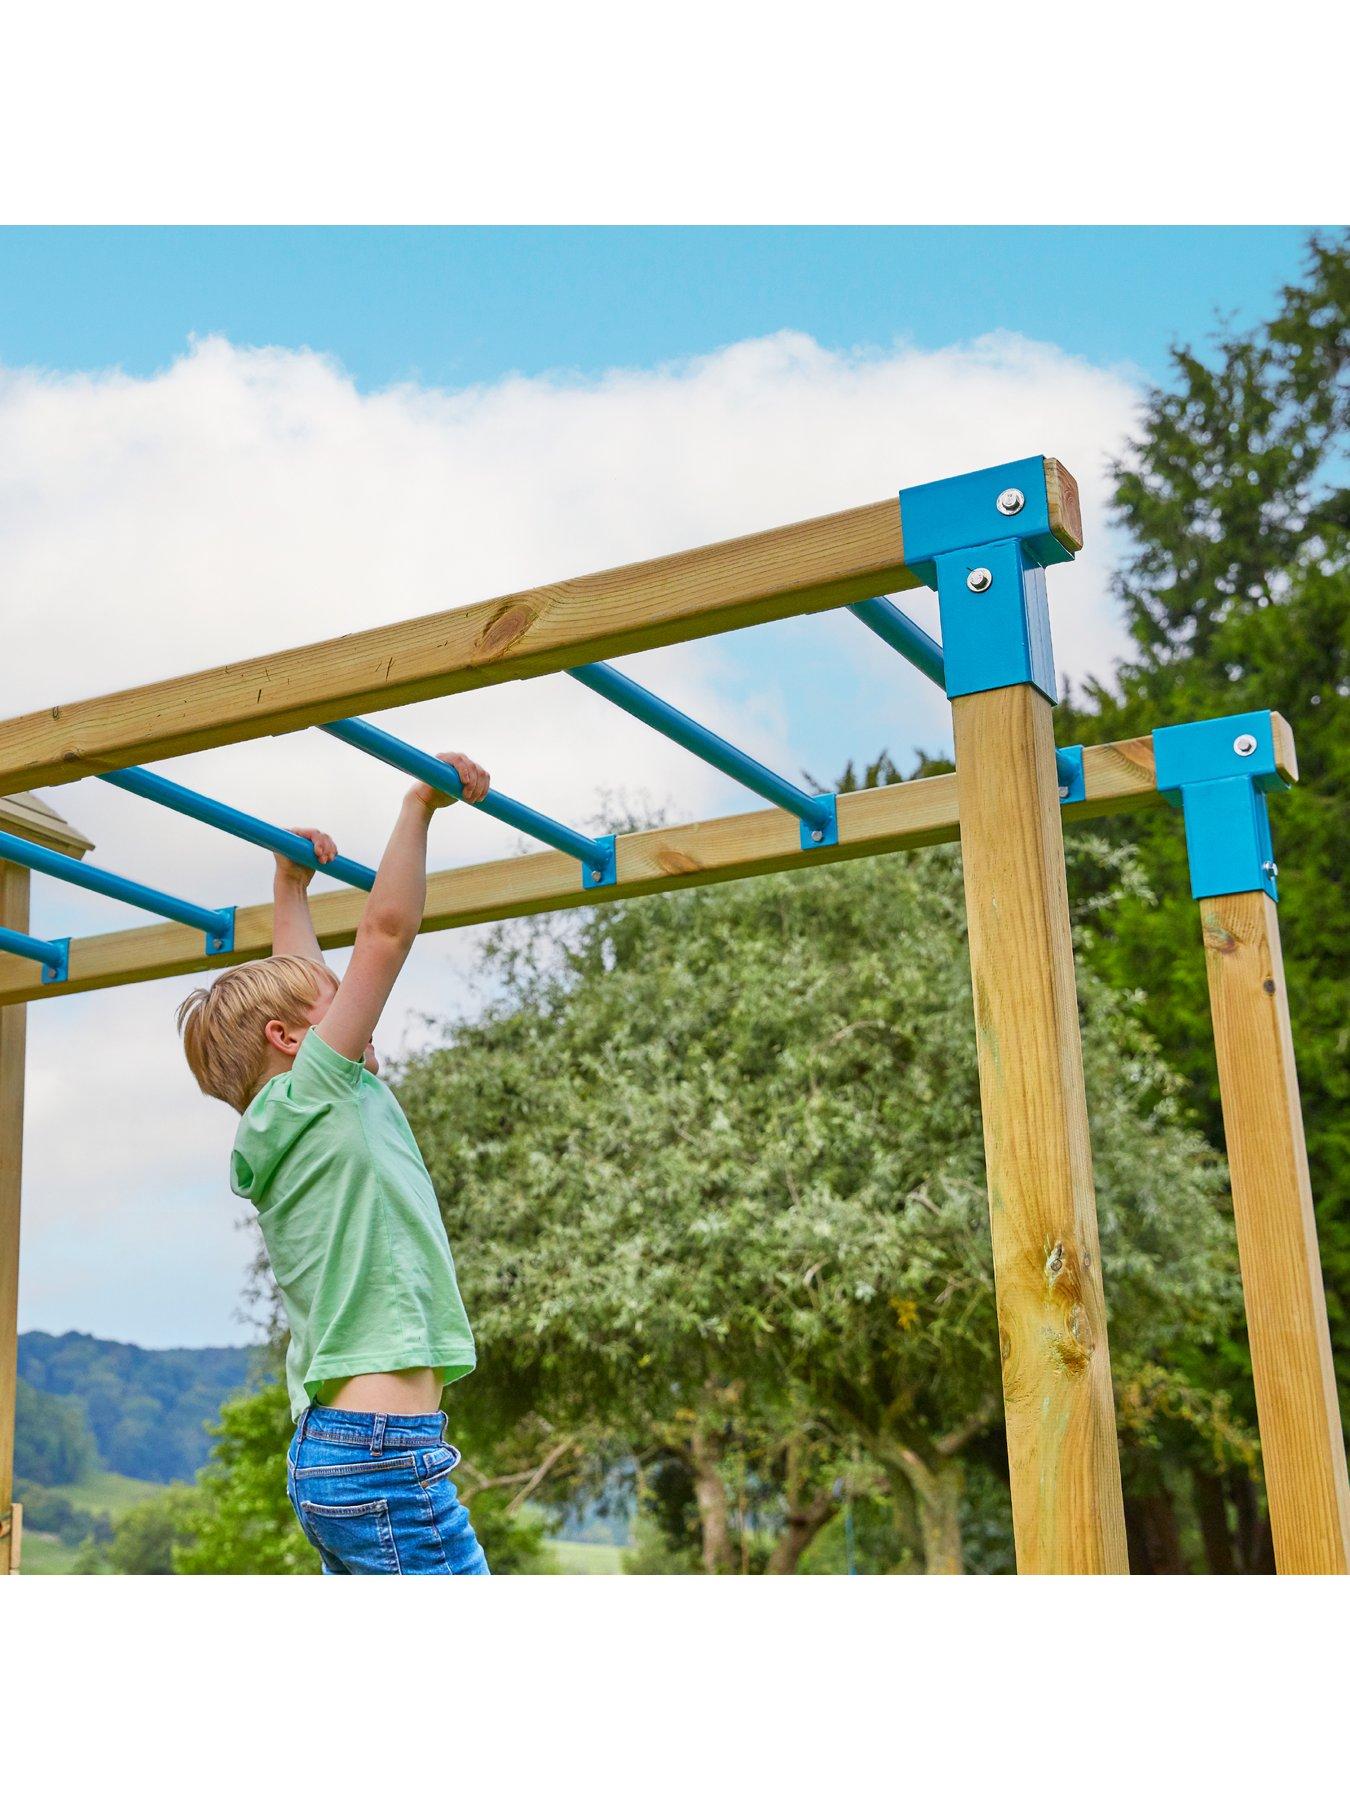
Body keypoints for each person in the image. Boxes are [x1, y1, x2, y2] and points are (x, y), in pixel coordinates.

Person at [176, 749, 493, 1575]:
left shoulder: (281, 1121)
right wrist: (418, 803)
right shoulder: (321, 1089)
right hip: (381, 1455)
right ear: (293, 1041)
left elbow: (301, 984)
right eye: (333, 1006)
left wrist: (289, 888)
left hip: (338, 1455)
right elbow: (385, 935)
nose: (352, 1010)